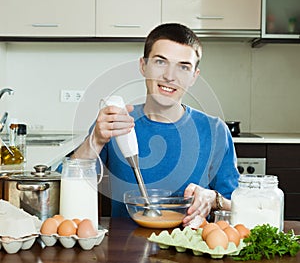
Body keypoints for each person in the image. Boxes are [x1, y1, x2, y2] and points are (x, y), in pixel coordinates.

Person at [72, 23, 240, 226]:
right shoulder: (115, 123)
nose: (170, 76)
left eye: (183, 67)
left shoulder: (214, 130)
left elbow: (238, 206)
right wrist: (96, 139)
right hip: (125, 249)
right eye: (161, 62)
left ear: (194, 76)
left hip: (191, 250)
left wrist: (214, 199)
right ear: (143, 66)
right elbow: (72, 184)